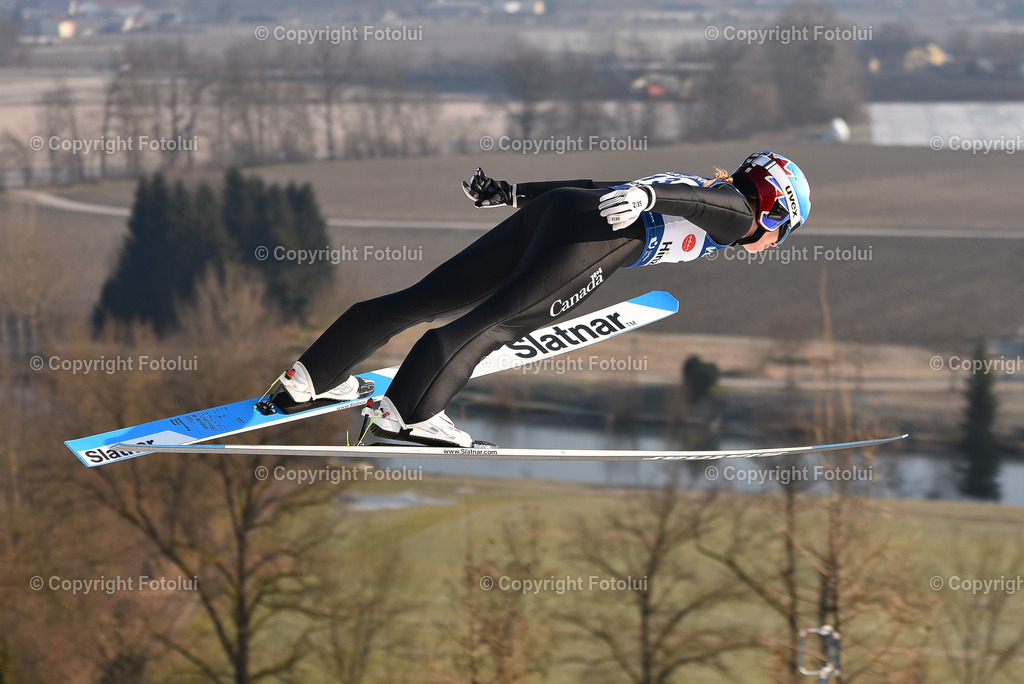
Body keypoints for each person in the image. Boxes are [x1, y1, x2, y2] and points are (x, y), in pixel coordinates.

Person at [267, 150, 811, 447]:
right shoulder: (737, 212)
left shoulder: (704, 187)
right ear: (772, 213)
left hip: (560, 211)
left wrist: (512, 194)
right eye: (781, 233)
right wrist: (647, 197)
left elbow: (599, 182)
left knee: (424, 298)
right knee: (495, 327)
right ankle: (403, 417)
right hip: (596, 239)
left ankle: (310, 379)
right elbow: (699, 203)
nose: (769, 245)